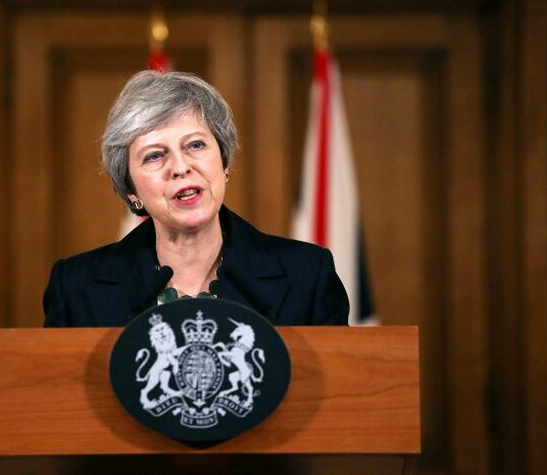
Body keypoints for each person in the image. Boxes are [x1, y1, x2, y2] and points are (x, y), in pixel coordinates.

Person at [43, 70, 349, 327]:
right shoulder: (76, 287)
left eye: (195, 145)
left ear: (224, 163)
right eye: (154, 156)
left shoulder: (307, 274)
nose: (180, 167)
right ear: (131, 190)